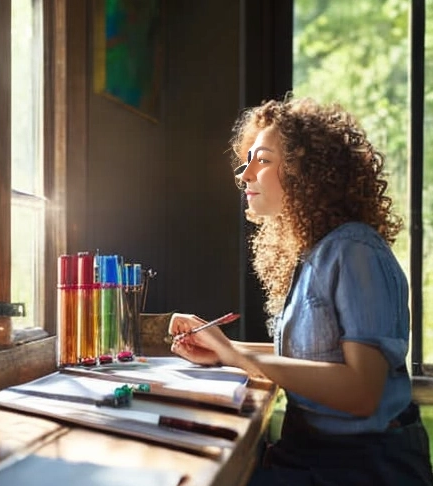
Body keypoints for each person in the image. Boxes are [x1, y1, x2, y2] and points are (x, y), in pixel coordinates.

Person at [168, 96, 433, 485]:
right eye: (247, 161)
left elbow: (362, 391)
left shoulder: (354, 249)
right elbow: (317, 358)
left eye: (263, 160)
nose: (245, 175)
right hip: (314, 455)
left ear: (304, 171)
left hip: (363, 468)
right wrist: (222, 352)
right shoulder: (318, 251)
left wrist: (236, 353)